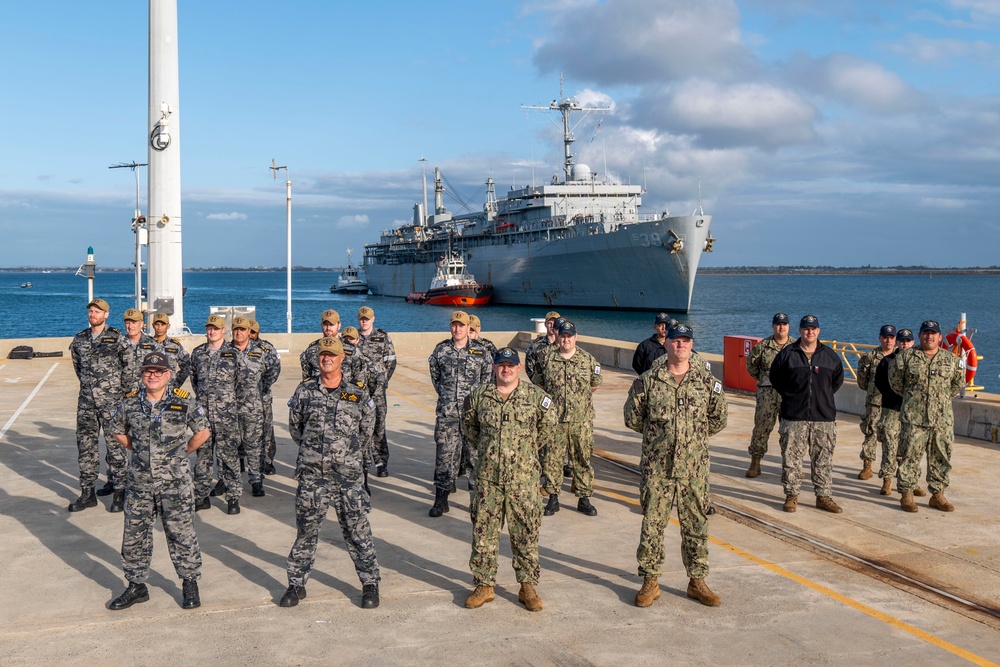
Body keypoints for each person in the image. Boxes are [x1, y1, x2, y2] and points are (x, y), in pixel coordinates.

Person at [624, 324, 728, 607]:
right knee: (652, 526)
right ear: (666, 344)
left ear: (691, 345)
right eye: (675, 341)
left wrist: (690, 441)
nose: (680, 346)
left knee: (696, 525)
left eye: (685, 341)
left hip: (693, 469)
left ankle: (697, 581)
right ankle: (650, 581)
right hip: (657, 469)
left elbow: (718, 419)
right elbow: (632, 418)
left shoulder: (706, 382)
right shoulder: (648, 380)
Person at [280, 337, 380, 609]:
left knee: (358, 532)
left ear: (341, 359)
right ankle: (296, 584)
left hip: (348, 478)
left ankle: (370, 584)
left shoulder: (358, 393)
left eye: (332, 355)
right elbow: (296, 429)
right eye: (323, 354)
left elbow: (366, 429)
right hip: (313, 477)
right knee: (306, 532)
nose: (327, 358)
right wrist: (317, 454)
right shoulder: (305, 391)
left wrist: (345, 454)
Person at [107, 352, 211, 610]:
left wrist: (181, 452)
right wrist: (140, 449)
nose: (152, 375)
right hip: (140, 482)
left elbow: (204, 431)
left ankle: (189, 583)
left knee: (181, 533)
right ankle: (136, 585)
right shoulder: (130, 403)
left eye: (158, 371)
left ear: (168, 375)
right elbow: (116, 430)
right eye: (147, 371)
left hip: (175, 482)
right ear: (142, 375)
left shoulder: (184, 401)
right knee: (135, 535)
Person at [462, 347, 554, 612]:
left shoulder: (536, 398)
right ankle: (484, 584)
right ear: (494, 368)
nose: (506, 369)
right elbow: (470, 429)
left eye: (510, 365)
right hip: (488, 480)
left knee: (525, 534)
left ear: (519, 368)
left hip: (522, 481)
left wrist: (523, 455)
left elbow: (546, 430)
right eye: (501, 365)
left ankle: (527, 586)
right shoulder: (479, 397)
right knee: (484, 535)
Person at [769, 315, 845, 514]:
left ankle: (823, 496)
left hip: (823, 417)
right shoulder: (787, 354)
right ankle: (791, 495)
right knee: (791, 458)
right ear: (800, 330)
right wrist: (793, 396)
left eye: (813, 329)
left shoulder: (830, 356)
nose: (809, 332)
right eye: (806, 329)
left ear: (818, 331)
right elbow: (776, 378)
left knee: (823, 459)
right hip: (794, 416)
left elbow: (836, 382)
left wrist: (821, 397)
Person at [889, 320, 965, 513]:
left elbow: (956, 385)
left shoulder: (951, 360)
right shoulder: (905, 358)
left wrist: (939, 400)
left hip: (942, 420)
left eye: (933, 333)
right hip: (914, 418)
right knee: (909, 456)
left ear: (940, 337)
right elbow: (896, 383)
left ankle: (937, 495)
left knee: (941, 457)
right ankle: (907, 494)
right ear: (920, 335)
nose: (929, 336)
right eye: (925, 333)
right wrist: (913, 400)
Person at [532, 320, 603, 517]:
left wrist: (578, 399)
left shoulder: (587, 360)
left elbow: (595, 383)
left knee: (582, 459)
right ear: (558, 337)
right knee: (552, 460)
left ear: (575, 337)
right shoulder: (546, 359)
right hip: (555, 421)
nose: (566, 340)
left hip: (581, 421)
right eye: (562, 336)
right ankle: (553, 498)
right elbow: (539, 384)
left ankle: (584, 498)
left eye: (569, 336)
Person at [427, 311, 492, 517]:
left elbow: (487, 381)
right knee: (444, 456)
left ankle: (477, 502)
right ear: (451, 327)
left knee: (474, 457)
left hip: (472, 416)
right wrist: (448, 398)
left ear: (468, 327)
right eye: (454, 325)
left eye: (461, 325)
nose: (457, 329)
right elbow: (436, 377)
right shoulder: (441, 350)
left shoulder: (481, 352)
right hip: (447, 415)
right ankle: (441, 499)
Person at [68, 298, 128, 513]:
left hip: (112, 403)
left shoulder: (117, 338)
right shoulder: (80, 339)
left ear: (106, 315)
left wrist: (122, 395)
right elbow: (78, 367)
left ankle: (120, 490)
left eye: (97, 311)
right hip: (86, 404)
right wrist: (90, 389)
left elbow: (128, 368)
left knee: (116, 447)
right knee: (86, 447)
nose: (93, 314)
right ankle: (87, 493)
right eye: (91, 311)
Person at [190, 314, 243, 514]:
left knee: (229, 457)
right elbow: (195, 381)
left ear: (223, 331)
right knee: (203, 457)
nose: (212, 331)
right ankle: (202, 496)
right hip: (203, 415)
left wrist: (226, 403)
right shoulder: (198, 353)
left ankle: (233, 498)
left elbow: (240, 384)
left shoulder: (233, 353)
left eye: (216, 328)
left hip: (226, 415)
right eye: (209, 328)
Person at [230, 316, 280, 498]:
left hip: (254, 406)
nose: (241, 332)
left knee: (255, 444)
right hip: (230, 407)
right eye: (237, 329)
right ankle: (229, 479)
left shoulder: (261, 351)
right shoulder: (225, 351)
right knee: (229, 445)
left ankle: (256, 479)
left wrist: (260, 389)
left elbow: (273, 371)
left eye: (244, 330)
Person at [744, 313, 791, 478]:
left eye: (784, 324)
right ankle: (755, 463)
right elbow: (751, 366)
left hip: (789, 395)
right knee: (761, 428)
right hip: (767, 395)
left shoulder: (795, 346)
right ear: (773, 326)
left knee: (790, 431)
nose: (781, 327)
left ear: (788, 326)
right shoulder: (763, 346)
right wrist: (765, 380)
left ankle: (791, 465)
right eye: (778, 324)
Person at [873, 328, 915, 496]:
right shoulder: (888, 361)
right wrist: (894, 395)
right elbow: (880, 382)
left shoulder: (917, 362)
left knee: (911, 448)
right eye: (902, 341)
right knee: (889, 447)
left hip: (912, 413)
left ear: (912, 343)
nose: (904, 344)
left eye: (907, 341)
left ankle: (910, 481)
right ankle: (887, 480)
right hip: (891, 409)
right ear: (897, 342)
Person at [356, 306, 396, 477]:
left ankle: (381, 462)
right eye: (362, 318)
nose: (364, 321)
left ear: (373, 319)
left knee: (379, 427)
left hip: (377, 391)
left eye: (367, 318)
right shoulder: (351, 337)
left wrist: (382, 380)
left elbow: (391, 362)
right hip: (358, 391)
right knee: (358, 427)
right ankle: (358, 461)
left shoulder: (383, 337)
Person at [856, 325, 897, 480]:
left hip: (893, 405)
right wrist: (873, 391)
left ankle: (896, 468)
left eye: (891, 337)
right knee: (870, 432)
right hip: (874, 402)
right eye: (885, 337)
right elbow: (862, 381)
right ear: (880, 338)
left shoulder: (900, 357)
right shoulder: (870, 357)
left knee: (894, 436)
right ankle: (867, 466)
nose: (888, 340)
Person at [249, 320, 281, 475]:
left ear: (258, 331)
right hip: (240, 398)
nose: (250, 335)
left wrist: (262, 387)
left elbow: (275, 369)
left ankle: (268, 461)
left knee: (266, 429)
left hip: (262, 396)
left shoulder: (266, 348)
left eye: (253, 332)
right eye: (248, 331)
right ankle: (241, 459)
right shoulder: (232, 348)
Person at [119, 308, 159, 395]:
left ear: (141, 324)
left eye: (134, 323)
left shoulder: (153, 345)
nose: (130, 326)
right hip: (123, 395)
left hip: (146, 394)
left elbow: (162, 370)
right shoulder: (118, 344)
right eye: (127, 323)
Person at [151, 312, 191, 390]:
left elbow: (187, 365)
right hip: (149, 389)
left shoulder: (175, 346)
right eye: (157, 324)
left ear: (168, 326)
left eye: (163, 325)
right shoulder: (146, 345)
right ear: (153, 326)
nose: (159, 328)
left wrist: (175, 384)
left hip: (168, 390)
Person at [300, 310, 341, 382]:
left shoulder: (350, 350)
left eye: (331, 325)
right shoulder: (311, 350)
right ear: (321, 325)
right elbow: (306, 380)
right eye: (325, 325)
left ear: (339, 325)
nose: (328, 328)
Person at [524, 311, 560, 383]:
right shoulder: (536, 345)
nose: (552, 326)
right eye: (550, 323)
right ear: (545, 324)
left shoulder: (564, 344)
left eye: (555, 323)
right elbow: (529, 367)